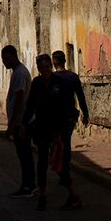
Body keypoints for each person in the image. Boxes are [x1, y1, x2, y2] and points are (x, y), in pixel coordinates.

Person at [32, 50, 89, 210]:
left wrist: (57, 132)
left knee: (59, 159)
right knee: (45, 160)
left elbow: (61, 107)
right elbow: (31, 105)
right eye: (40, 67)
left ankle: (72, 194)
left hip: (59, 125)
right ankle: (43, 194)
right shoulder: (38, 83)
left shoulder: (59, 82)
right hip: (48, 127)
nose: (43, 70)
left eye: (46, 66)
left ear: (52, 65)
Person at [1, 45, 35, 196]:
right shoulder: (18, 72)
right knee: (23, 154)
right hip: (20, 120)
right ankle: (28, 184)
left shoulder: (20, 73)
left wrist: (14, 122)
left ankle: (29, 185)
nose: (4, 62)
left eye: (5, 59)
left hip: (21, 122)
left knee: (24, 154)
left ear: (12, 56)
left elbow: (20, 97)